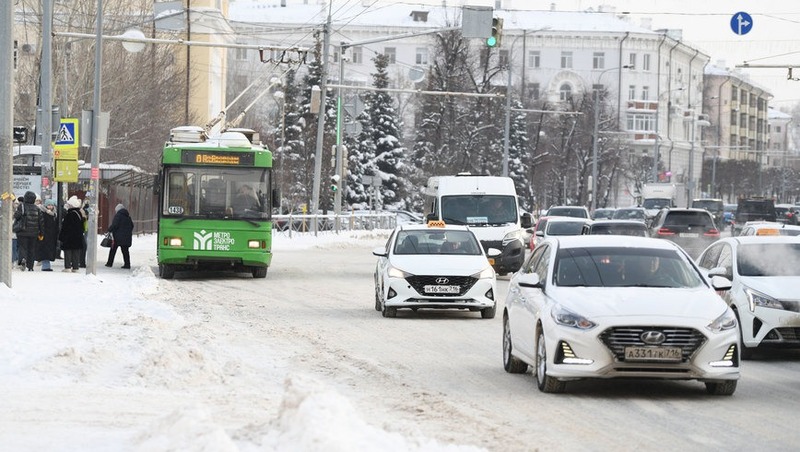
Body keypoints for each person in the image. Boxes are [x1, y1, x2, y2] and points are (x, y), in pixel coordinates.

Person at [13, 191, 42, 271]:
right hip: (34, 233)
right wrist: (41, 233)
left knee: (22, 247)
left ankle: (22, 259)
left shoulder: (21, 206)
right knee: (31, 249)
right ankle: (30, 266)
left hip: (22, 231)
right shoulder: (37, 209)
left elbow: (16, 216)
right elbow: (41, 222)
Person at [59, 196, 85, 272]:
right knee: (76, 252)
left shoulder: (70, 214)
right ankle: (75, 267)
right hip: (78, 237)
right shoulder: (79, 213)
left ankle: (67, 267)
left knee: (68, 251)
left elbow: (66, 226)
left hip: (69, 237)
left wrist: (62, 236)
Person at [105, 203, 134, 269]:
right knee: (125, 251)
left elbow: (115, 225)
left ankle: (109, 263)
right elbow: (132, 226)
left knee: (113, 250)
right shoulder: (128, 217)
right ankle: (127, 264)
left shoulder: (118, 216)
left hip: (117, 237)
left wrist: (109, 229)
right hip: (126, 237)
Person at [35, 199, 60, 272]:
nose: (50, 207)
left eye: (51, 205)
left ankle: (46, 265)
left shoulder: (55, 214)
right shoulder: (43, 213)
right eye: (49, 205)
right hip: (45, 235)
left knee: (48, 251)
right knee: (45, 251)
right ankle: (46, 266)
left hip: (52, 236)